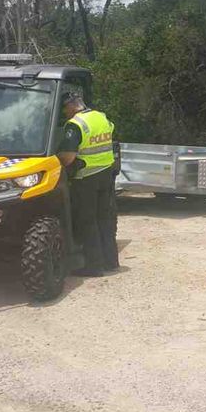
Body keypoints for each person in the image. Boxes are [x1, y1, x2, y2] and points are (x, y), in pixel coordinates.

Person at [57, 93, 119, 276]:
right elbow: (109, 132)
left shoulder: (75, 125)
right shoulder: (101, 117)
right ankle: (110, 261)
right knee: (104, 219)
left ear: (71, 106)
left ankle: (94, 266)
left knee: (87, 221)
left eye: (65, 109)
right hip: (106, 174)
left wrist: (56, 159)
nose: (65, 112)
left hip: (86, 178)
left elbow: (68, 158)